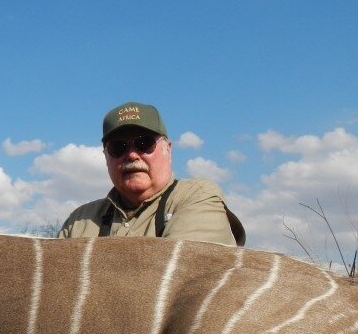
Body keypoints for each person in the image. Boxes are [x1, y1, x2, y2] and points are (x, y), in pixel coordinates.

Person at [57, 101, 245, 246]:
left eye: (144, 144)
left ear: (168, 150)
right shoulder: (79, 220)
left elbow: (183, 273)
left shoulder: (198, 196)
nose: (131, 154)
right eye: (118, 147)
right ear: (106, 157)